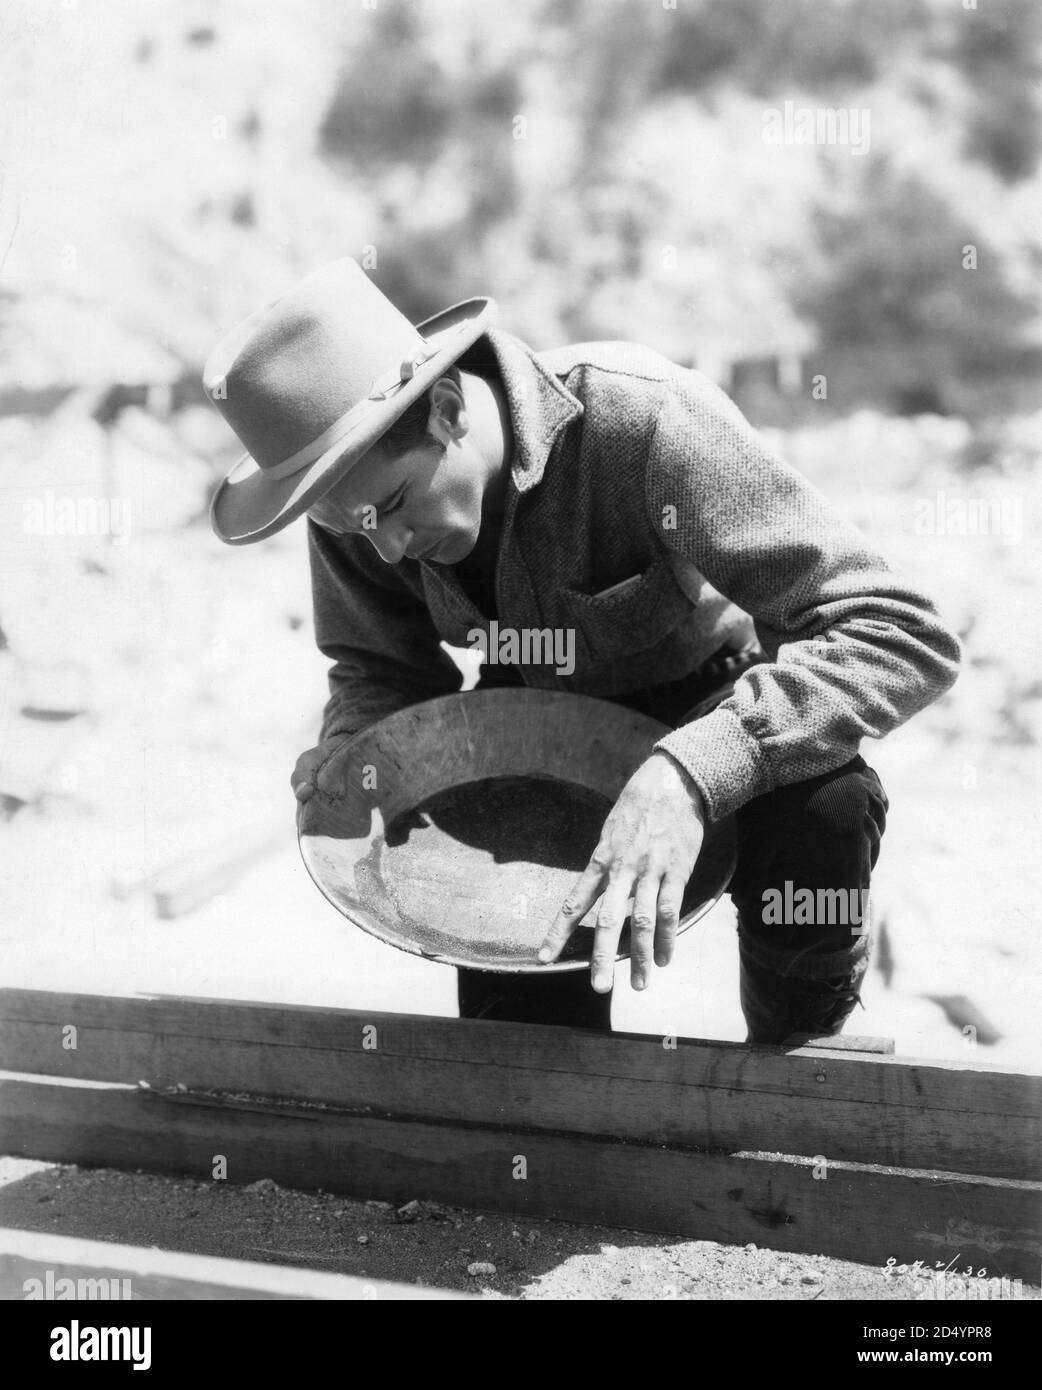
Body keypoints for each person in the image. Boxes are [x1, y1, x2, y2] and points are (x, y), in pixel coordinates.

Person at [204, 258, 961, 1042]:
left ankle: (802, 1069)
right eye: (354, 525)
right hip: (525, 723)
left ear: (448, 408)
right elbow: (379, 668)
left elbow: (901, 631)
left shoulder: (644, 425)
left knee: (825, 809)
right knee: (526, 1066)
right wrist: (358, 748)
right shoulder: (356, 508)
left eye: (394, 506)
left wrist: (692, 770)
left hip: (709, 696)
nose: (389, 550)